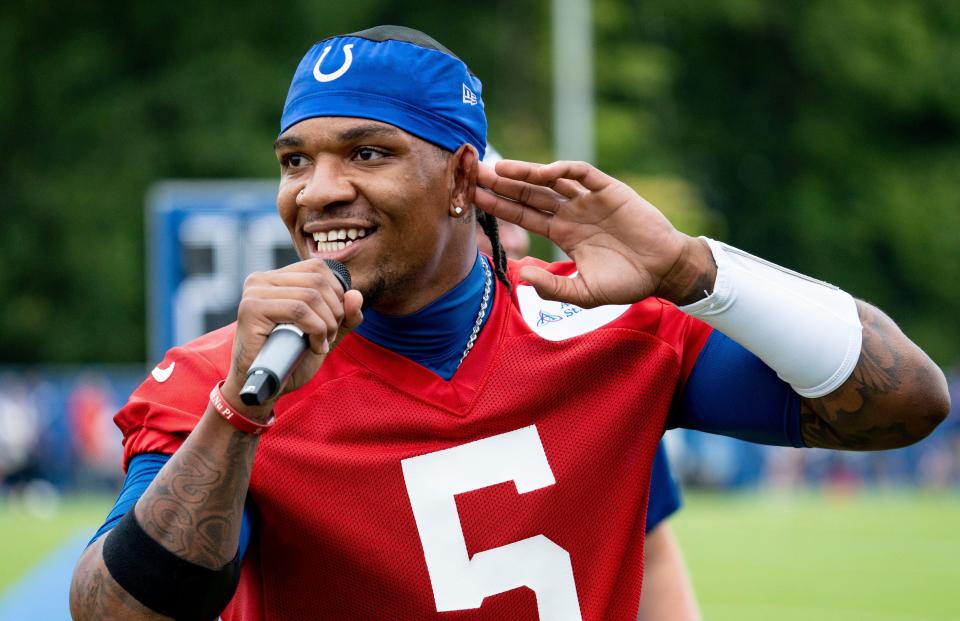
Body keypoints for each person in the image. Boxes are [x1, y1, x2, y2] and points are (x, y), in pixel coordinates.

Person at [70, 25, 949, 621]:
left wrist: (692, 269)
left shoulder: (609, 334)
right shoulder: (221, 379)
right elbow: (117, 612)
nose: (317, 189)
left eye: (367, 152)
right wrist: (239, 414)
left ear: (462, 179)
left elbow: (905, 401)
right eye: (296, 159)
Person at [478, 145, 700, 621]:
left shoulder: (594, 359)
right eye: (489, 217)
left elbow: (652, 551)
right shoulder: (307, 377)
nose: (514, 242)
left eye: (518, 216)